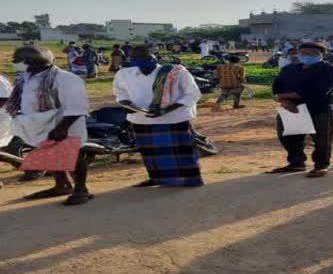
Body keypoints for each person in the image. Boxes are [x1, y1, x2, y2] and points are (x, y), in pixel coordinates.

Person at [7, 46, 92, 205]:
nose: (14, 64)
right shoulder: (28, 77)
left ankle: (81, 189)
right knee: (50, 154)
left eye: (16, 61)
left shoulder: (65, 78)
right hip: (40, 124)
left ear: (29, 61)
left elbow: (77, 106)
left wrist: (62, 128)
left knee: (72, 154)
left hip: (64, 123)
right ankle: (62, 185)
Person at [113, 46, 204, 187]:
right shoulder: (124, 74)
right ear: (131, 59)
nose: (142, 62)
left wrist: (166, 110)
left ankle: (190, 180)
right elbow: (120, 94)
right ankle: (157, 179)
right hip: (141, 119)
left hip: (173, 118)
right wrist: (127, 106)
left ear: (154, 56)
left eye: (146, 58)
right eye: (137, 58)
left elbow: (192, 94)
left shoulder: (175, 72)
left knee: (181, 152)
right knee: (151, 154)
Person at [269, 42, 333, 178]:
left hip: (320, 108)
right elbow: (277, 87)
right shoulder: (289, 69)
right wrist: (285, 101)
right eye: (303, 53)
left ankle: (321, 166)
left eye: (312, 54)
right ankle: (296, 163)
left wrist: (286, 96)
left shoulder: (330, 70)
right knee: (289, 137)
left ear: (322, 55)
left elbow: (319, 91)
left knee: (321, 139)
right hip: (292, 108)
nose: (307, 56)